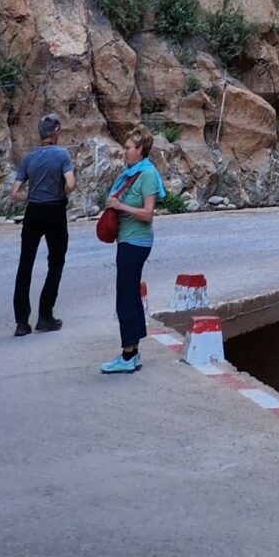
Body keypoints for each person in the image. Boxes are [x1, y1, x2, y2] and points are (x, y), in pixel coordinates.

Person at [99, 129, 164, 374]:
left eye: (129, 147)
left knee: (125, 297)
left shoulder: (147, 174)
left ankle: (127, 355)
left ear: (141, 150)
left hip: (136, 241)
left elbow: (148, 213)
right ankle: (133, 352)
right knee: (130, 294)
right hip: (128, 239)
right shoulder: (131, 173)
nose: (124, 151)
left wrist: (120, 206)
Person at [11, 111, 75, 335]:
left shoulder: (29, 158)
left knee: (25, 264)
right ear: (56, 131)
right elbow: (70, 184)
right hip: (55, 210)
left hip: (33, 211)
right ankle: (45, 315)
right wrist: (61, 192)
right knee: (56, 261)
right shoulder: (62, 154)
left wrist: (31, 196)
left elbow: (14, 193)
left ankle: (21, 322)